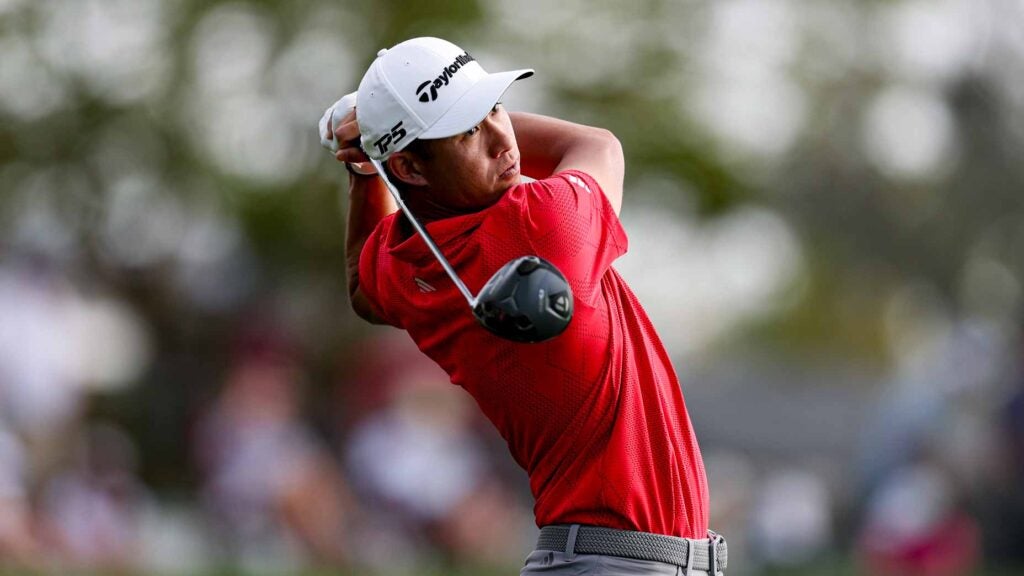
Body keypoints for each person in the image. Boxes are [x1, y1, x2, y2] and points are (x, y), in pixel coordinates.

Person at [320, 37, 727, 575]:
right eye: (467, 129)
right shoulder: (539, 222)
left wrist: (370, 164)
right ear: (412, 168)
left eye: (495, 108)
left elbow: (360, 287)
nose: (502, 140)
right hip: (619, 564)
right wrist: (374, 134)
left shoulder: (407, 264)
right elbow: (597, 144)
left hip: (604, 560)